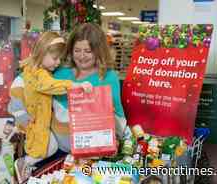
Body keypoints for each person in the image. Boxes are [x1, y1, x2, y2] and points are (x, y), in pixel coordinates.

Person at [10, 32, 91, 183]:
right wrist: (75, 86)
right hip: (35, 123)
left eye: (60, 58)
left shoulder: (36, 71)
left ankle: (27, 163)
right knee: (45, 148)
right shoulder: (39, 74)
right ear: (42, 53)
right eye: (55, 58)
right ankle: (25, 163)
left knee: (50, 147)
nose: (58, 62)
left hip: (40, 122)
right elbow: (48, 85)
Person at [51, 23, 132, 153]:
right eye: (77, 50)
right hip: (56, 150)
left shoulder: (108, 77)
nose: (82, 56)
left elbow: (118, 117)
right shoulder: (59, 73)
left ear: (98, 51)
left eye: (88, 51)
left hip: (91, 153)